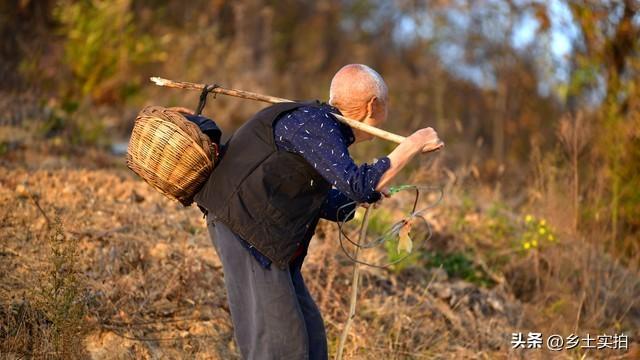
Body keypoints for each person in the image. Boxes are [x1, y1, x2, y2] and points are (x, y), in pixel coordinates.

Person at [194, 64, 442, 360]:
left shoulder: (322, 131)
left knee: (311, 341)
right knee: (280, 347)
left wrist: (363, 196)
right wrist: (412, 145)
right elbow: (358, 184)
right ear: (373, 106)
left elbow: (330, 200)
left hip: (266, 239)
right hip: (246, 229)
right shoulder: (314, 121)